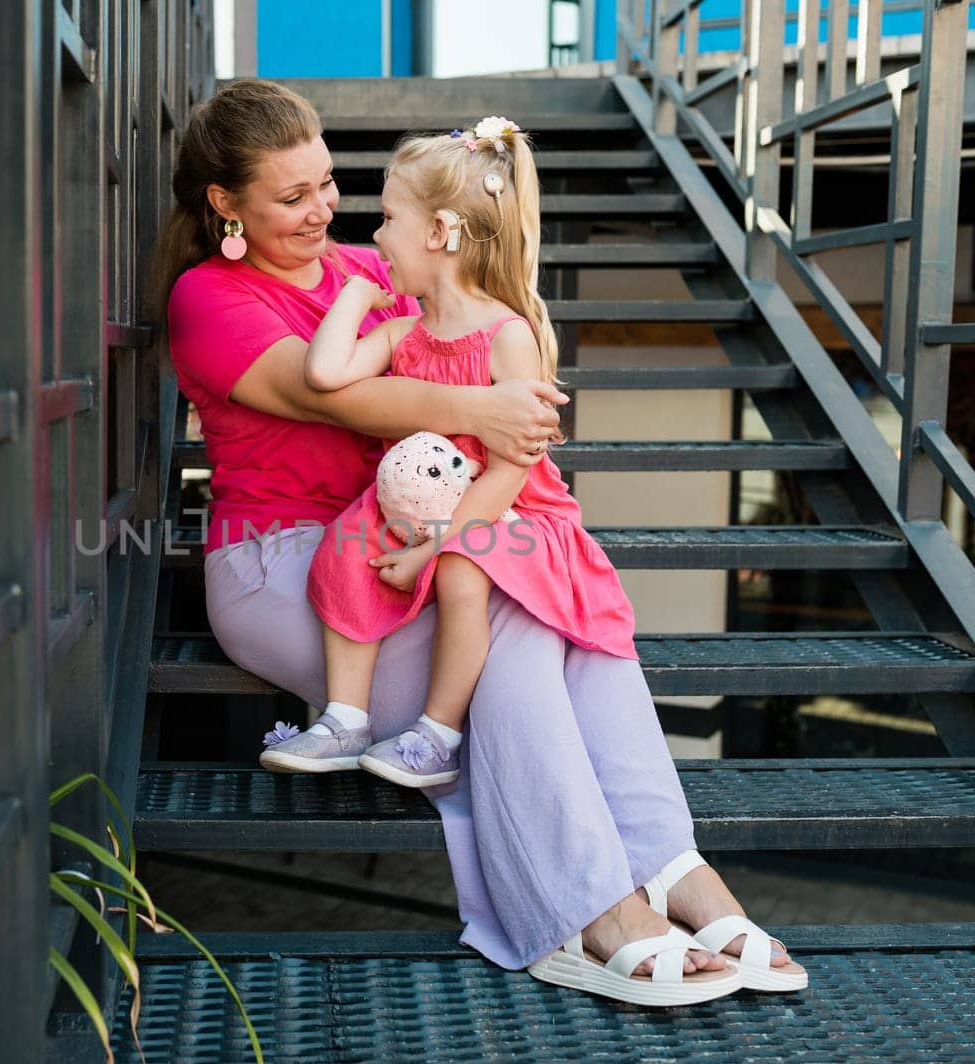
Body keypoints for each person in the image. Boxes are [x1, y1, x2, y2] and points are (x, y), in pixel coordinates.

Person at [159, 79, 806, 1006]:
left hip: (411, 531)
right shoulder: (207, 297)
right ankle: (586, 915)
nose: (324, 210)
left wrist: (519, 393)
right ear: (224, 202)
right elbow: (320, 391)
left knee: (556, 603)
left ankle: (675, 873)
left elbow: (467, 322)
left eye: (330, 185)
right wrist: (487, 411)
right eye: (291, 196)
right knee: (507, 634)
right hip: (287, 563)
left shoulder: (368, 266)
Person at [288, 117, 640, 796]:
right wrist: (354, 293)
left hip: (504, 508)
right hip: (418, 500)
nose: (378, 238)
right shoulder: (400, 330)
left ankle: (437, 735)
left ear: (440, 233)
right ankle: (344, 717)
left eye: (388, 219)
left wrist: (439, 544)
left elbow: (511, 467)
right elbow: (325, 375)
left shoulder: (509, 336)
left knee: (460, 573)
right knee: (344, 546)